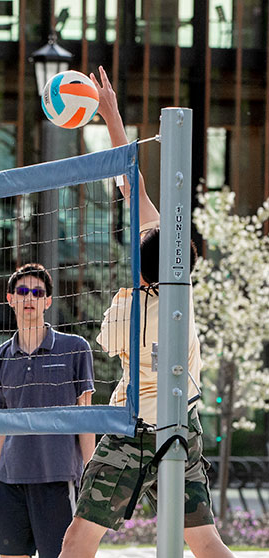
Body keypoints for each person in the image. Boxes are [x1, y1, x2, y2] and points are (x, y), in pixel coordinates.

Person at [58, 67, 235, 558]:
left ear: (142, 263)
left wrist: (112, 116)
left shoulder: (127, 309)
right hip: (185, 423)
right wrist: (112, 115)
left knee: (79, 537)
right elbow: (130, 185)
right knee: (204, 541)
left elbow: (129, 184)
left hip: (135, 427)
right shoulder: (180, 281)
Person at [0, 263, 95, 558]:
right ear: (10, 298)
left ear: (47, 301)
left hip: (56, 477)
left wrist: (91, 481)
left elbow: (86, 420)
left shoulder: (75, 349)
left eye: (37, 292)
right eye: (23, 291)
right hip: (12, 478)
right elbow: (0, 429)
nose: (29, 297)